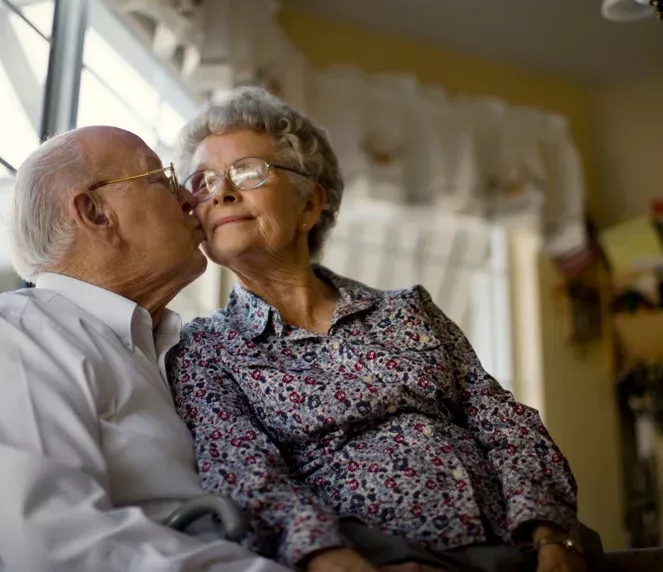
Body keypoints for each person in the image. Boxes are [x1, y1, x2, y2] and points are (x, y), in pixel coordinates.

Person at [167, 88, 590, 572]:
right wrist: (334, 560)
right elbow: (246, 475)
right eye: (203, 180)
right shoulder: (206, 349)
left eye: (247, 171)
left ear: (309, 205)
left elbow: (502, 422)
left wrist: (552, 536)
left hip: (516, 545)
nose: (221, 191)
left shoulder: (407, 310)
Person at [0, 126, 289, 572]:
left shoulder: (170, 351)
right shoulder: (17, 333)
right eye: (160, 179)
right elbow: (60, 547)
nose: (188, 197)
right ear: (95, 212)